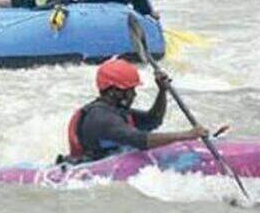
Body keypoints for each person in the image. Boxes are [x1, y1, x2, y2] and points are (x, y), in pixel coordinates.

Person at [64, 59, 213, 163]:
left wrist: (162, 91)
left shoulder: (116, 111)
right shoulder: (102, 118)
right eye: (130, 90)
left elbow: (153, 120)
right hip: (93, 168)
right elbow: (142, 140)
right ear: (114, 91)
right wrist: (187, 135)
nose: (134, 94)